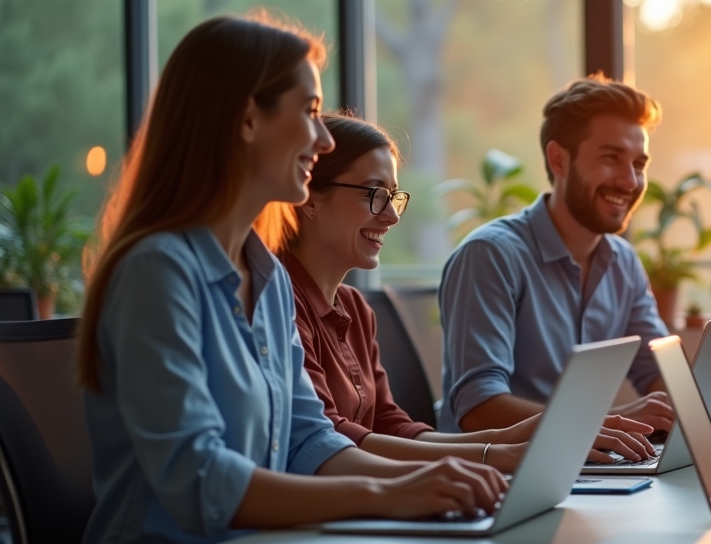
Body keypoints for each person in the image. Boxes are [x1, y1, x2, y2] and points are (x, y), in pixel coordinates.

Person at [78, 15, 505, 544]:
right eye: (309, 112)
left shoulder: (268, 277)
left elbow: (308, 439)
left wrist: (424, 482)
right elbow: (199, 479)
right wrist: (389, 494)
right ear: (247, 120)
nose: (322, 139)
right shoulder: (157, 272)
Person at [256, 114, 657, 470]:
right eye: (374, 193)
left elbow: (390, 425)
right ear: (308, 197)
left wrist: (507, 440)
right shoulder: (277, 301)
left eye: (393, 196)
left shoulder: (355, 308)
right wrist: (492, 453)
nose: (392, 215)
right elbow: (326, 438)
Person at [438, 75, 675, 445]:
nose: (630, 181)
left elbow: (659, 372)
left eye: (639, 164)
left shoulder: (623, 263)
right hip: (497, 472)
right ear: (558, 159)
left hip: (587, 465)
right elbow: (478, 408)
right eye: (611, 158)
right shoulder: (491, 255)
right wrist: (610, 423)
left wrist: (685, 407)